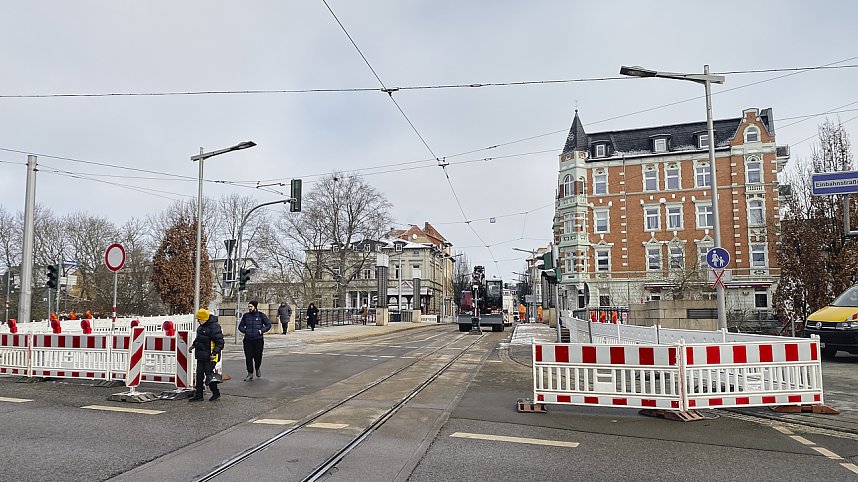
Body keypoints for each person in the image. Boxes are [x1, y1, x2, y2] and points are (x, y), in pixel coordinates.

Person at [190, 308, 224, 402]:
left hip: (210, 356)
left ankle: (216, 393)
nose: (198, 321)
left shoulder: (214, 327)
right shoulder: (201, 327)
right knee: (199, 375)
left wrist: (214, 353)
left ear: (204, 318)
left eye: (199, 319)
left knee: (209, 375)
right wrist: (193, 345)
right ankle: (199, 395)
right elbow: (199, 339)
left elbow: (220, 343)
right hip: (201, 355)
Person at [238, 300, 272, 381]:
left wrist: (261, 330)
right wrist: (245, 330)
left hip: (258, 339)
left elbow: (268, 325)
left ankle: (257, 368)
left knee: (258, 356)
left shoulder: (261, 315)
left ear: (255, 307)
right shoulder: (246, 316)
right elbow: (240, 326)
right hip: (248, 340)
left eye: (251, 306)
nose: (249, 308)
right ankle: (250, 373)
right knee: (248, 357)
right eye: (248, 307)